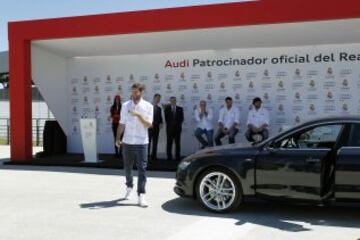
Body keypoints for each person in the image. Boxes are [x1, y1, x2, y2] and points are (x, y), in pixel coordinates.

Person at [115, 83, 153, 207]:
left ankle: (141, 195)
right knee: (127, 167)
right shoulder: (125, 106)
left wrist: (138, 115)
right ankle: (129, 186)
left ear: (141, 92)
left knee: (142, 168)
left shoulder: (148, 106)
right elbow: (121, 123)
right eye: (132, 91)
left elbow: (148, 124)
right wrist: (117, 138)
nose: (133, 94)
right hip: (127, 141)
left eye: (136, 91)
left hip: (142, 141)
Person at [164, 96, 184, 161]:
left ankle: (177, 157)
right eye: (172, 100)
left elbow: (182, 119)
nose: (173, 101)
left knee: (177, 143)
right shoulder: (166, 108)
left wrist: (176, 123)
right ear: (170, 101)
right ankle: (169, 157)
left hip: (178, 129)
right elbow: (166, 119)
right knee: (169, 143)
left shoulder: (180, 108)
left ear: (176, 101)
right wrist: (172, 124)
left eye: (174, 100)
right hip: (169, 129)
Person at [148, 93, 163, 161]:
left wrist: (161, 123)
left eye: (159, 98)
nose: (158, 99)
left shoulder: (159, 108)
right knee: (148, 143)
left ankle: (154, 157)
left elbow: (160, 117)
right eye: (157, 98)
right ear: (154, 98)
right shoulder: (148, 106)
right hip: (149, 128)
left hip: (157, 128)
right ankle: (147, 157)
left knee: (155, 143)